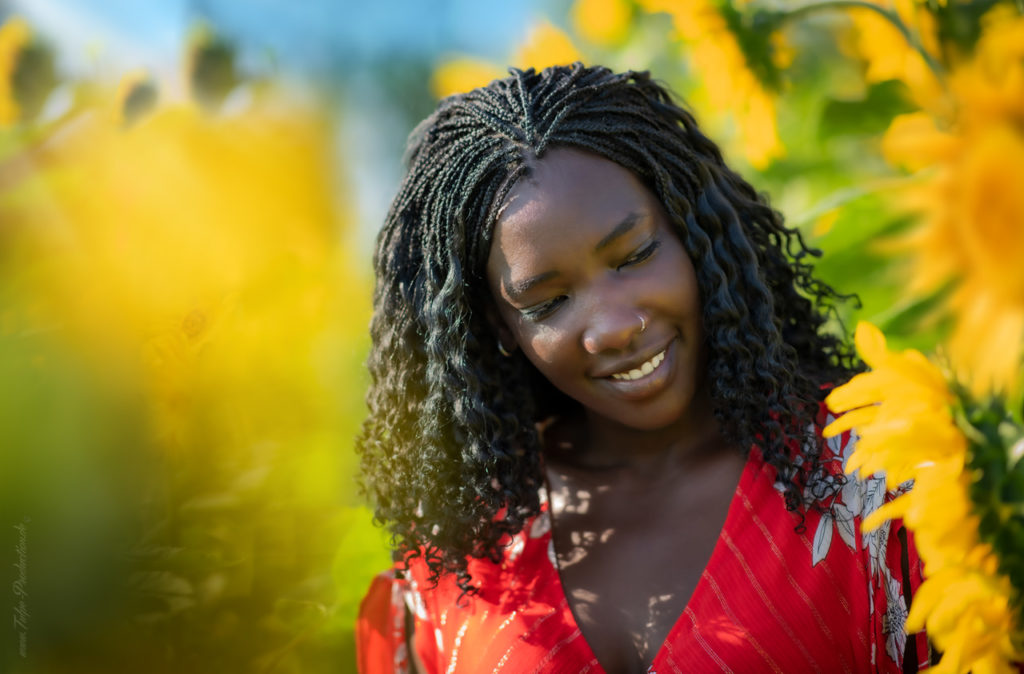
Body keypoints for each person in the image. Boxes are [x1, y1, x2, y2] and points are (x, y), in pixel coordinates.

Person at [355, 64, 931, 673]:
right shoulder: (458, 548)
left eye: (635, 255)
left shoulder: (880, 473)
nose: (613, 326)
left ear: (694, 230)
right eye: (548, 303)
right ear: (500, 325)